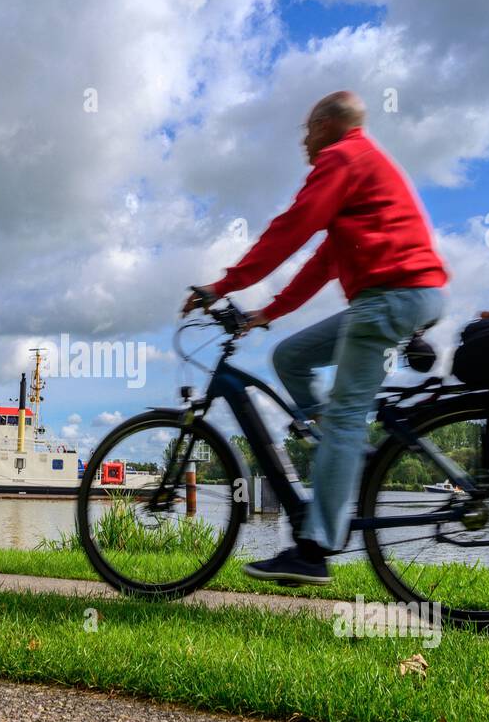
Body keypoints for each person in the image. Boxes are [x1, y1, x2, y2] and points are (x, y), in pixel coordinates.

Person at [183, 90, 448, 586]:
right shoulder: (361, 170)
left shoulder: (343, 157)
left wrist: (224, 284)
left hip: (389, 298)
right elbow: (322, 262)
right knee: (292, 356)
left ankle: (313, 549)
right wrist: (266, 313)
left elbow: (292, 228)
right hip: (398, 297)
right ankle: (341, 450)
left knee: (348, 416)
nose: (304, 140)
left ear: (328, 123)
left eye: (308, 128)